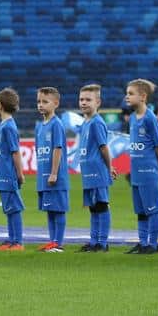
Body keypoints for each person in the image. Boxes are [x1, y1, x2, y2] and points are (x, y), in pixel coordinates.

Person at [125, 79, 158, 254]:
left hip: (148, 170)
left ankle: (153, 244)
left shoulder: (150, 118)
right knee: (140, 210)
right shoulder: (133, 117)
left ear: (143, 97)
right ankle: (142, 242)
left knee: (152, 208)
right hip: (136, 171)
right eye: (127, 93)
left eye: (130, 93)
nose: (127, 96)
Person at [76, 84, 115, 252]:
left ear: (98, 102)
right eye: (81, 99)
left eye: (88, 100)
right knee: (93, 207)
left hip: (98, 169)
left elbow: (103, 147)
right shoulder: (86, 123)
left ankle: (102, 242)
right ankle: (94, 241)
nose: (84, 102)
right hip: (88, 170)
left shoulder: (97, 123)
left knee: (101, 204)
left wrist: (110, 167)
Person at [35, 86, 69, 253]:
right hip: (43, 175)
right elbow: (38, 150)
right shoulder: (40, 126)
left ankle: (58, 243)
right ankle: (52, 241)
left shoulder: (56, 124)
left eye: (45, 102)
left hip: (55, 176)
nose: (41, 105)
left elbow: (57, 148)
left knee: (58, 209)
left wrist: (54, 172)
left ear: (55, 103)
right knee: (49, 209)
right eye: (39, 101)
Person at [0, 88, 25, 251]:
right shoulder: (3, 125)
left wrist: (19, 173)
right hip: (2, 173)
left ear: (0, 105)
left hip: (9, 174)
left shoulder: (9, 127)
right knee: (8, 207)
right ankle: (11, 239)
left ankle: (17, 241)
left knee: (14, 207)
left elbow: (15, 152)